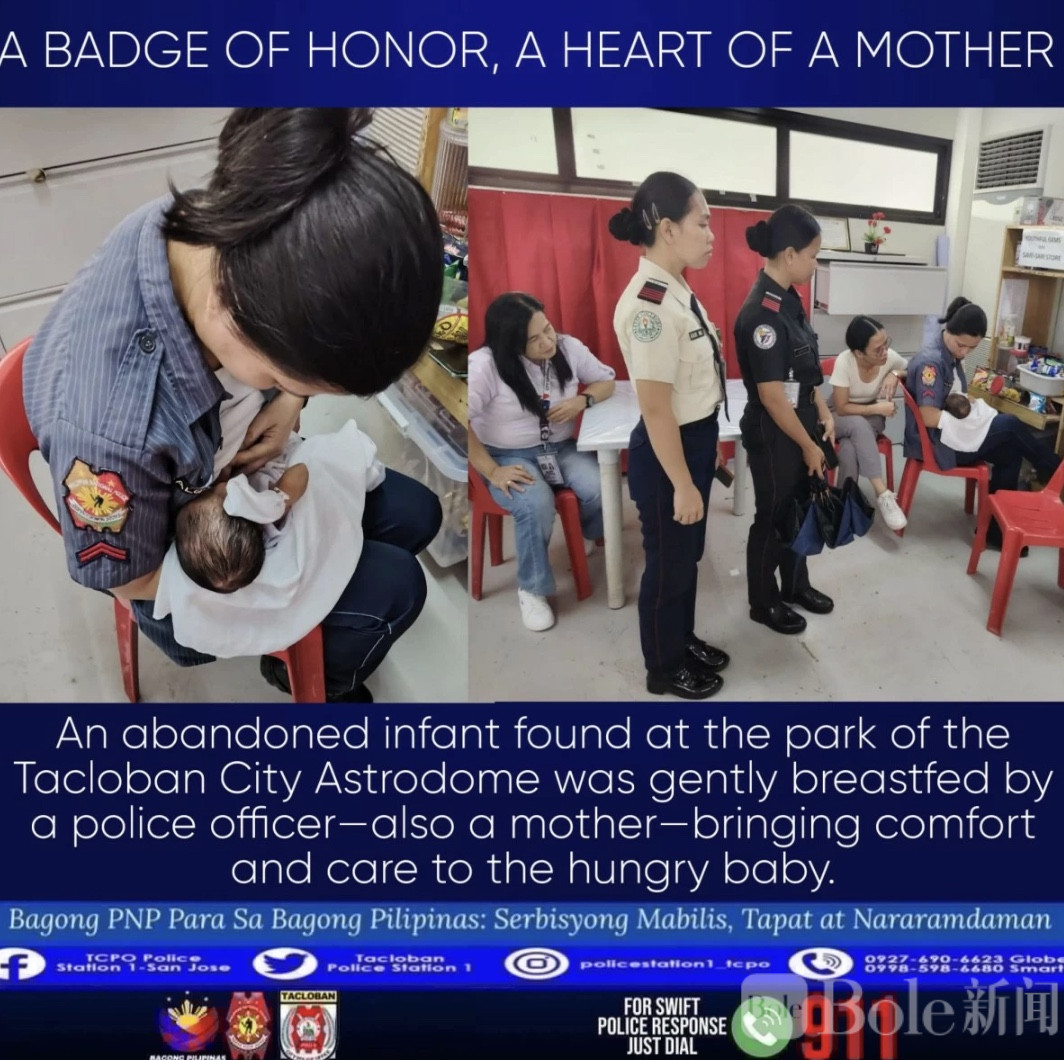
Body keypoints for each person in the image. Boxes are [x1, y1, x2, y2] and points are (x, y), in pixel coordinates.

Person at [24, 107, 445, 702]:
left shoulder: (221, 225)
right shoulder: (109, 439)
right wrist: (263, 541)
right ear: (231, 314)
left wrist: (290, 398)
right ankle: (313, 675)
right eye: (283, 374)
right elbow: (133, 580)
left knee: (419, 514)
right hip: (184, 572)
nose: (297, 391)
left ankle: (335, 624)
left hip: (230, 471)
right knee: (398, 588)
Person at [610, 171, 731, 699]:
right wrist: (682, 483)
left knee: (688, 558)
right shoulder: (650, 306)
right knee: (667, 566)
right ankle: (662, 668)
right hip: (668, 455)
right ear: (667, 229)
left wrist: (707, 455)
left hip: (693, 441)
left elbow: (689, 386)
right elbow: (657, 408)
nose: (711, 235)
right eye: (702, 223)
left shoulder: (677, 288)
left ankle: (680, 640)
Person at [468, 293, 615, 631]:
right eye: (534, 339)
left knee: (598, 488)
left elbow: (607, 381)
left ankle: (588, 533)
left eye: (548, 329)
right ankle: (532, 589)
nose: (548, 342)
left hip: (559, 447)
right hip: (506, 454)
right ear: (510, 343)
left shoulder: (567, 347)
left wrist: (583, 400)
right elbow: (458, 421)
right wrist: (492, 470)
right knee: (535, 504)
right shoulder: (484, 366)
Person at [734, 204, 833, 636]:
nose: (815, 264)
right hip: (776, 433)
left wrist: (823, 411)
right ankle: (763, 601)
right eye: (813, 256)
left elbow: (803, 372)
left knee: (801, 507)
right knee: (774, 517)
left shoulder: (789, 299)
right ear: (790, 254)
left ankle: (795, 585)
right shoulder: (763, 315)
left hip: (801, 422)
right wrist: (808, 446)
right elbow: (773, 397)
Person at [904, 296, 1061, 548]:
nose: (964, 352)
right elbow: (928, 416)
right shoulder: (932, 362)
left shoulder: (949, 352)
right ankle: (1054, 470)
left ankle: (995, 532)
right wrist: (971, 421)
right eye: (961, 345)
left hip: (950, 435)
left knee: (1010, 452)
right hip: (937, 444)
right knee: (1010, 425)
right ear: (949, 330)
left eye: (971, 348)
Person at [827, 315, 908, 531]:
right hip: (840, 415)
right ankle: (883, 493)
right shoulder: (845, 361)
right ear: (859, 353)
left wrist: (895, 373)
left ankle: (844, 507)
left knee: (848, 448)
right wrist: (876, 408)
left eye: (886, 344)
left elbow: (913, 369)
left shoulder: (889, 357)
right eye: (878, 349)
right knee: (857, 425)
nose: (885, 352)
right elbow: (842, 407)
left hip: (871, 418)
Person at [175, 462, 309, 593]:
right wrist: (278, 501)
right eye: (222, 495)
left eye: (204, 494)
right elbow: (301, 471)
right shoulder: (266, 520)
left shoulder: (235, 533)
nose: (214, 488)